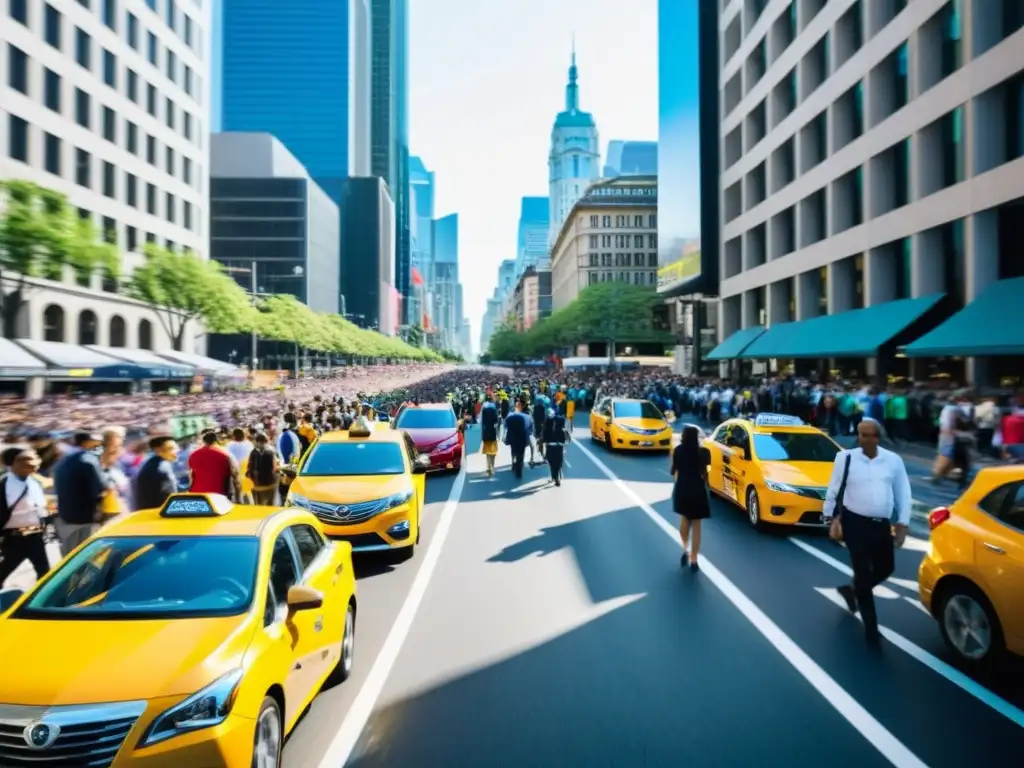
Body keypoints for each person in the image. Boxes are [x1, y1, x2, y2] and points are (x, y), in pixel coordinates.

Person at [822, 418, 913, 647]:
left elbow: (903, 492)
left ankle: (851, 591)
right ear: (858, 436)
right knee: (863, 574)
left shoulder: (893, 461)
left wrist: (903, 523)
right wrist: (831, 518)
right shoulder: (846, 458)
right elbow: (834, 490)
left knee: (886, 568)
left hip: (881, 525)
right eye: (863, 435)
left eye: (872, 435)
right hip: (855, 524)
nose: (867, 439)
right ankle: (871, 630)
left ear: (878, 437)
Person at [52, 430, 110, 556]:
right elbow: (100, 488)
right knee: (88, 557)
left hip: (65, 515)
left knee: (70, 557)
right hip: (85, 517)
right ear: (88, 442)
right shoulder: (88, 460)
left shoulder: (62, 461)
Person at [0, 447, 50, 587]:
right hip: (15, 538)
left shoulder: (35, 482)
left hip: (35, 535)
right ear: (13, 463)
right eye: (25, 460)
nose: (33, 463)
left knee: (44, 573)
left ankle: (40, 604)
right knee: (4, 571)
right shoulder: (4, 484)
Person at [670, 425, 711, 572]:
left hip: (682, 489)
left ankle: (684, 548)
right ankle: (694, 559)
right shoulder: (704, 453)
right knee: (697, 525)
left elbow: (674, 471)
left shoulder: (678, 451)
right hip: (698, 491)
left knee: (685, 520)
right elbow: (707, 472)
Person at [133, 435, 180, 512]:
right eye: (171, 448)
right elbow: (170, 498)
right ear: (158, 450)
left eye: (176, 448)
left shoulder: (150, 463)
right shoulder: (162, 468)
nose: (176, 451)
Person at [189, 430, 240, 498]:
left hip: (198, 494)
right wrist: (237, 495)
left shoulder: (193, 455)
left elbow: (191, 476)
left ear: (203, 441)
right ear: (216, 441)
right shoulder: (225, 454)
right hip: (219, 495)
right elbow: (235, 474)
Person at [247, 432, 280, 505]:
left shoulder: (253, 452)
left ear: (256, 441)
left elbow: (249, 469)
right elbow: (275, 467)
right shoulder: (271, 451)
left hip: (257, 486)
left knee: (259, 504)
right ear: (266, 441)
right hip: (270, 485)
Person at [503, 401, 533, 479]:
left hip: (512, 438)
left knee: (513, 450)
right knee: (521, 453)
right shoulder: (527, 417)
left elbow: (505, 426)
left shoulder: (509, 416)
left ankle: (513, 462)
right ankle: (519, 469)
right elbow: (530, 429)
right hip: (523, 438)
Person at [541, 407, 569, 486]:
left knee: (551, 461)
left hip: (551, 446)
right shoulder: (560, 421)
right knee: (558, 462)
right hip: (559, 445)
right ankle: (557, 478)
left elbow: (544, 436)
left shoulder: (547, 423)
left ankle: (554, 477)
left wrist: (543, 441)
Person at [479, 394, 501, 477]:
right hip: (492, 432)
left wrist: (481, 433)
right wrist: (498, 435)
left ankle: (488, 466)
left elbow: (481, 421)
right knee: (493, 452)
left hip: (485, 432)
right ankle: (492, 467)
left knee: (488, 452)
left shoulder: (483, 407)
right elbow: (496, 422)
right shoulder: (493, 407)